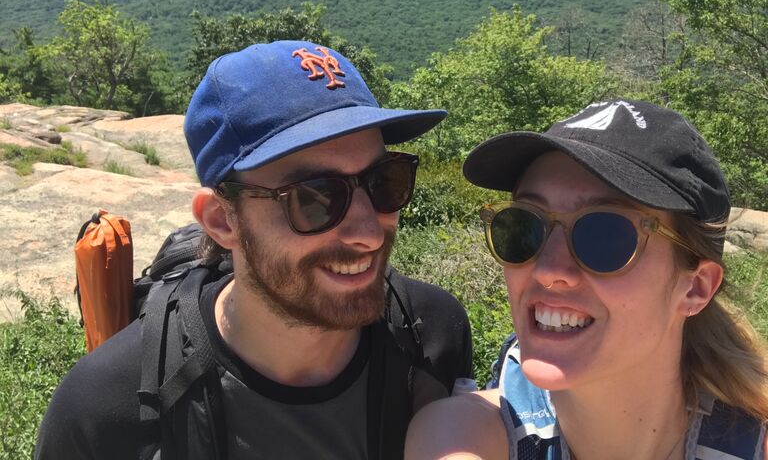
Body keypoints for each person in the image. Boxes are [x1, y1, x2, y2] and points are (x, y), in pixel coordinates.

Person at [35, 40, 474, 460]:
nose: (370, 234)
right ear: (222, 221)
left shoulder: (432, 334)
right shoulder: (103, 411)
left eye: (384, 181)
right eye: (315, 198)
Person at [405, 99, 768, 460]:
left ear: (696, 287)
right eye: (524, 227)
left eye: (605, 236)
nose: (548, 270)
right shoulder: (462, 438)